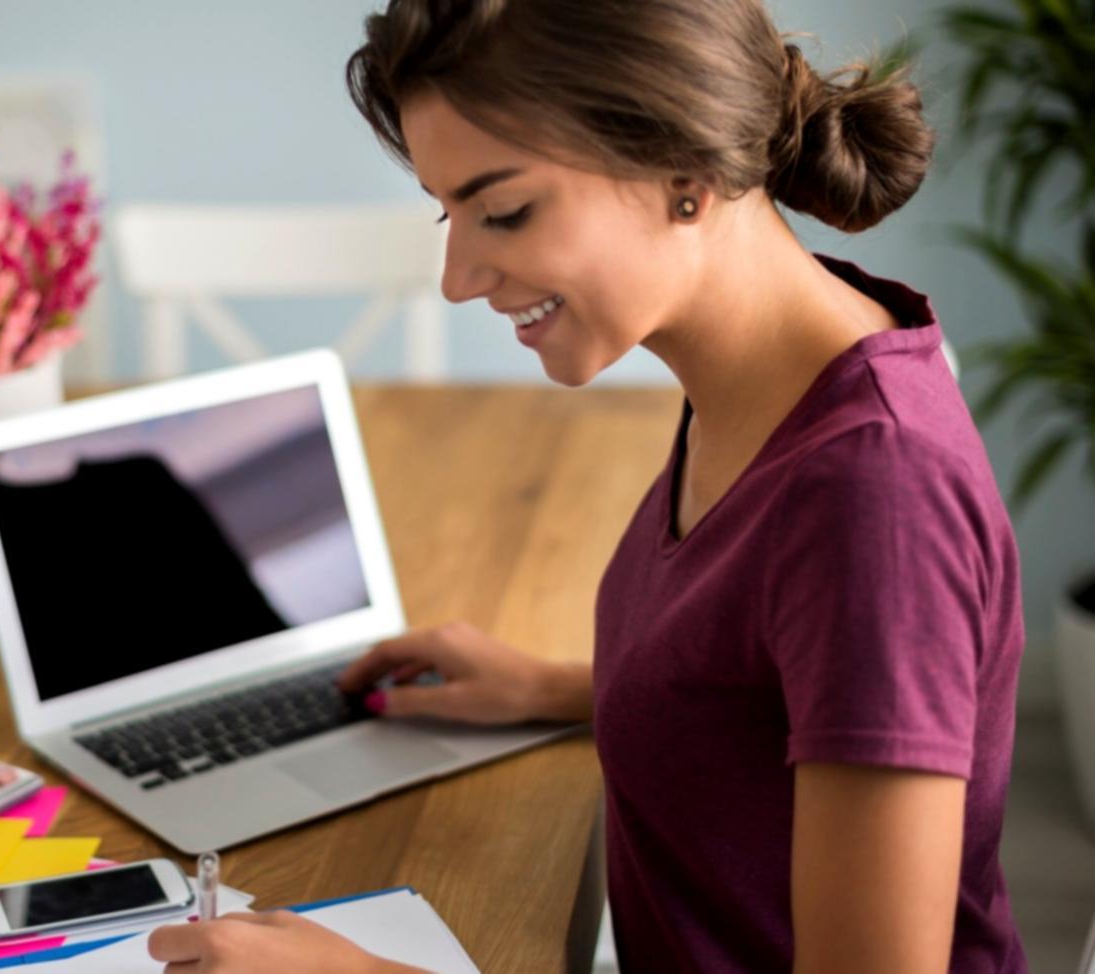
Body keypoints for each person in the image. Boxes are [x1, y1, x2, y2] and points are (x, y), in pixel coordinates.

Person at [147, 0, 1028, 970]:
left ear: (685, 177)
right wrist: (563, 687)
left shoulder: (872, 493)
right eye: (451, 213)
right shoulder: (772, 375)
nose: (456, 276)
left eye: (505, 209)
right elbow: (777, 685)